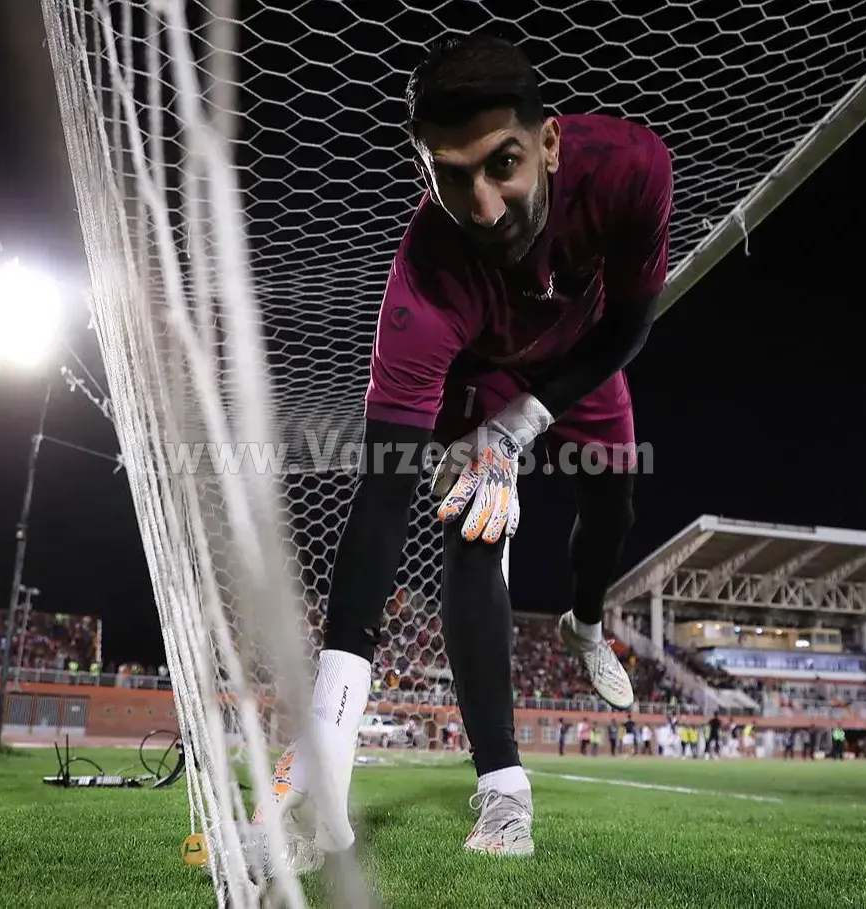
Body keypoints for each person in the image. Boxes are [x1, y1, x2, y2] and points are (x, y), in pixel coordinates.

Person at [250, 32, 672, 868]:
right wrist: (329, 723)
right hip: (473, 379)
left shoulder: (630, 167)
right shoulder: (422, 287)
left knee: (613, 507)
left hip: (576, 359)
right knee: (473, 526)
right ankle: (504, 786)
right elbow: (381, 501)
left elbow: (629, 326)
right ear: (423, 170)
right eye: (449, 177)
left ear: (550, 143)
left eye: (502, 164)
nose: (482, 209)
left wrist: (520, 425)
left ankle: (586, 626)